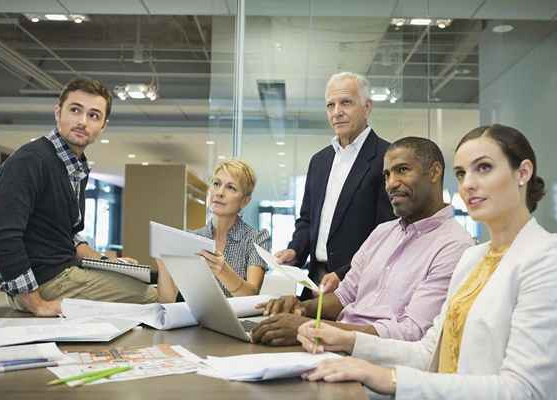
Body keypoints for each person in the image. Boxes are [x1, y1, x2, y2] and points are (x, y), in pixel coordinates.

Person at [298, 124, 557, 400]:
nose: (469, 184)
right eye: (462, 174)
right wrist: (346, 342)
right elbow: (430, 352)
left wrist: (387, 378)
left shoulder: (550, 261)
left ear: (522, 172)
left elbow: (525, 391)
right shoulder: (473, 258)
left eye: (484, 168)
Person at [250, 137, 473, 346]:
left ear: (434, 172)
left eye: (402, 170)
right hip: (331, 348)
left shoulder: (455, 246)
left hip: (376, 368)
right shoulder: (381, 233)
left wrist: (312, 328)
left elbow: (412, 333)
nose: (391, 184)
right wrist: (300, 308)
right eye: (386, 175)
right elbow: (343, 297)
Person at [0, 78, 157, 316]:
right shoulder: (31, 161)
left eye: (93, 115)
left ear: (103, 126)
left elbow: (65, 236)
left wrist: (107, 262)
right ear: (58, 112)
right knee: (157, 294)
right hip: (45, 284)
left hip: (63, 271)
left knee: (147, 280)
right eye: (75, 110)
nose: (82, 121)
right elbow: (1, 236)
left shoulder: (74, 166)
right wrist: (36, 304)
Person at [275, 72, 394, 297]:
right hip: (315, 281)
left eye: (346, 103)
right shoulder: (320, 161)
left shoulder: (387, 158)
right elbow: (307, 219)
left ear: (367, 107)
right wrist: (295, 250)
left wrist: (344, 274)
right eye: (330, 105)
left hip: (360, 285)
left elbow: (387, 233)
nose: (337, 112)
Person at [157, 159, 271, 302]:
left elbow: (251, 295)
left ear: (245, 201)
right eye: (216, 184)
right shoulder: (192, 237)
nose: (219, 193)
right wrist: (162, 264)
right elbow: (167, 301)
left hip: (237, 321)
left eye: (231, 188)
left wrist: (223, 271)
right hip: (196, 320)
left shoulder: (257, 238)